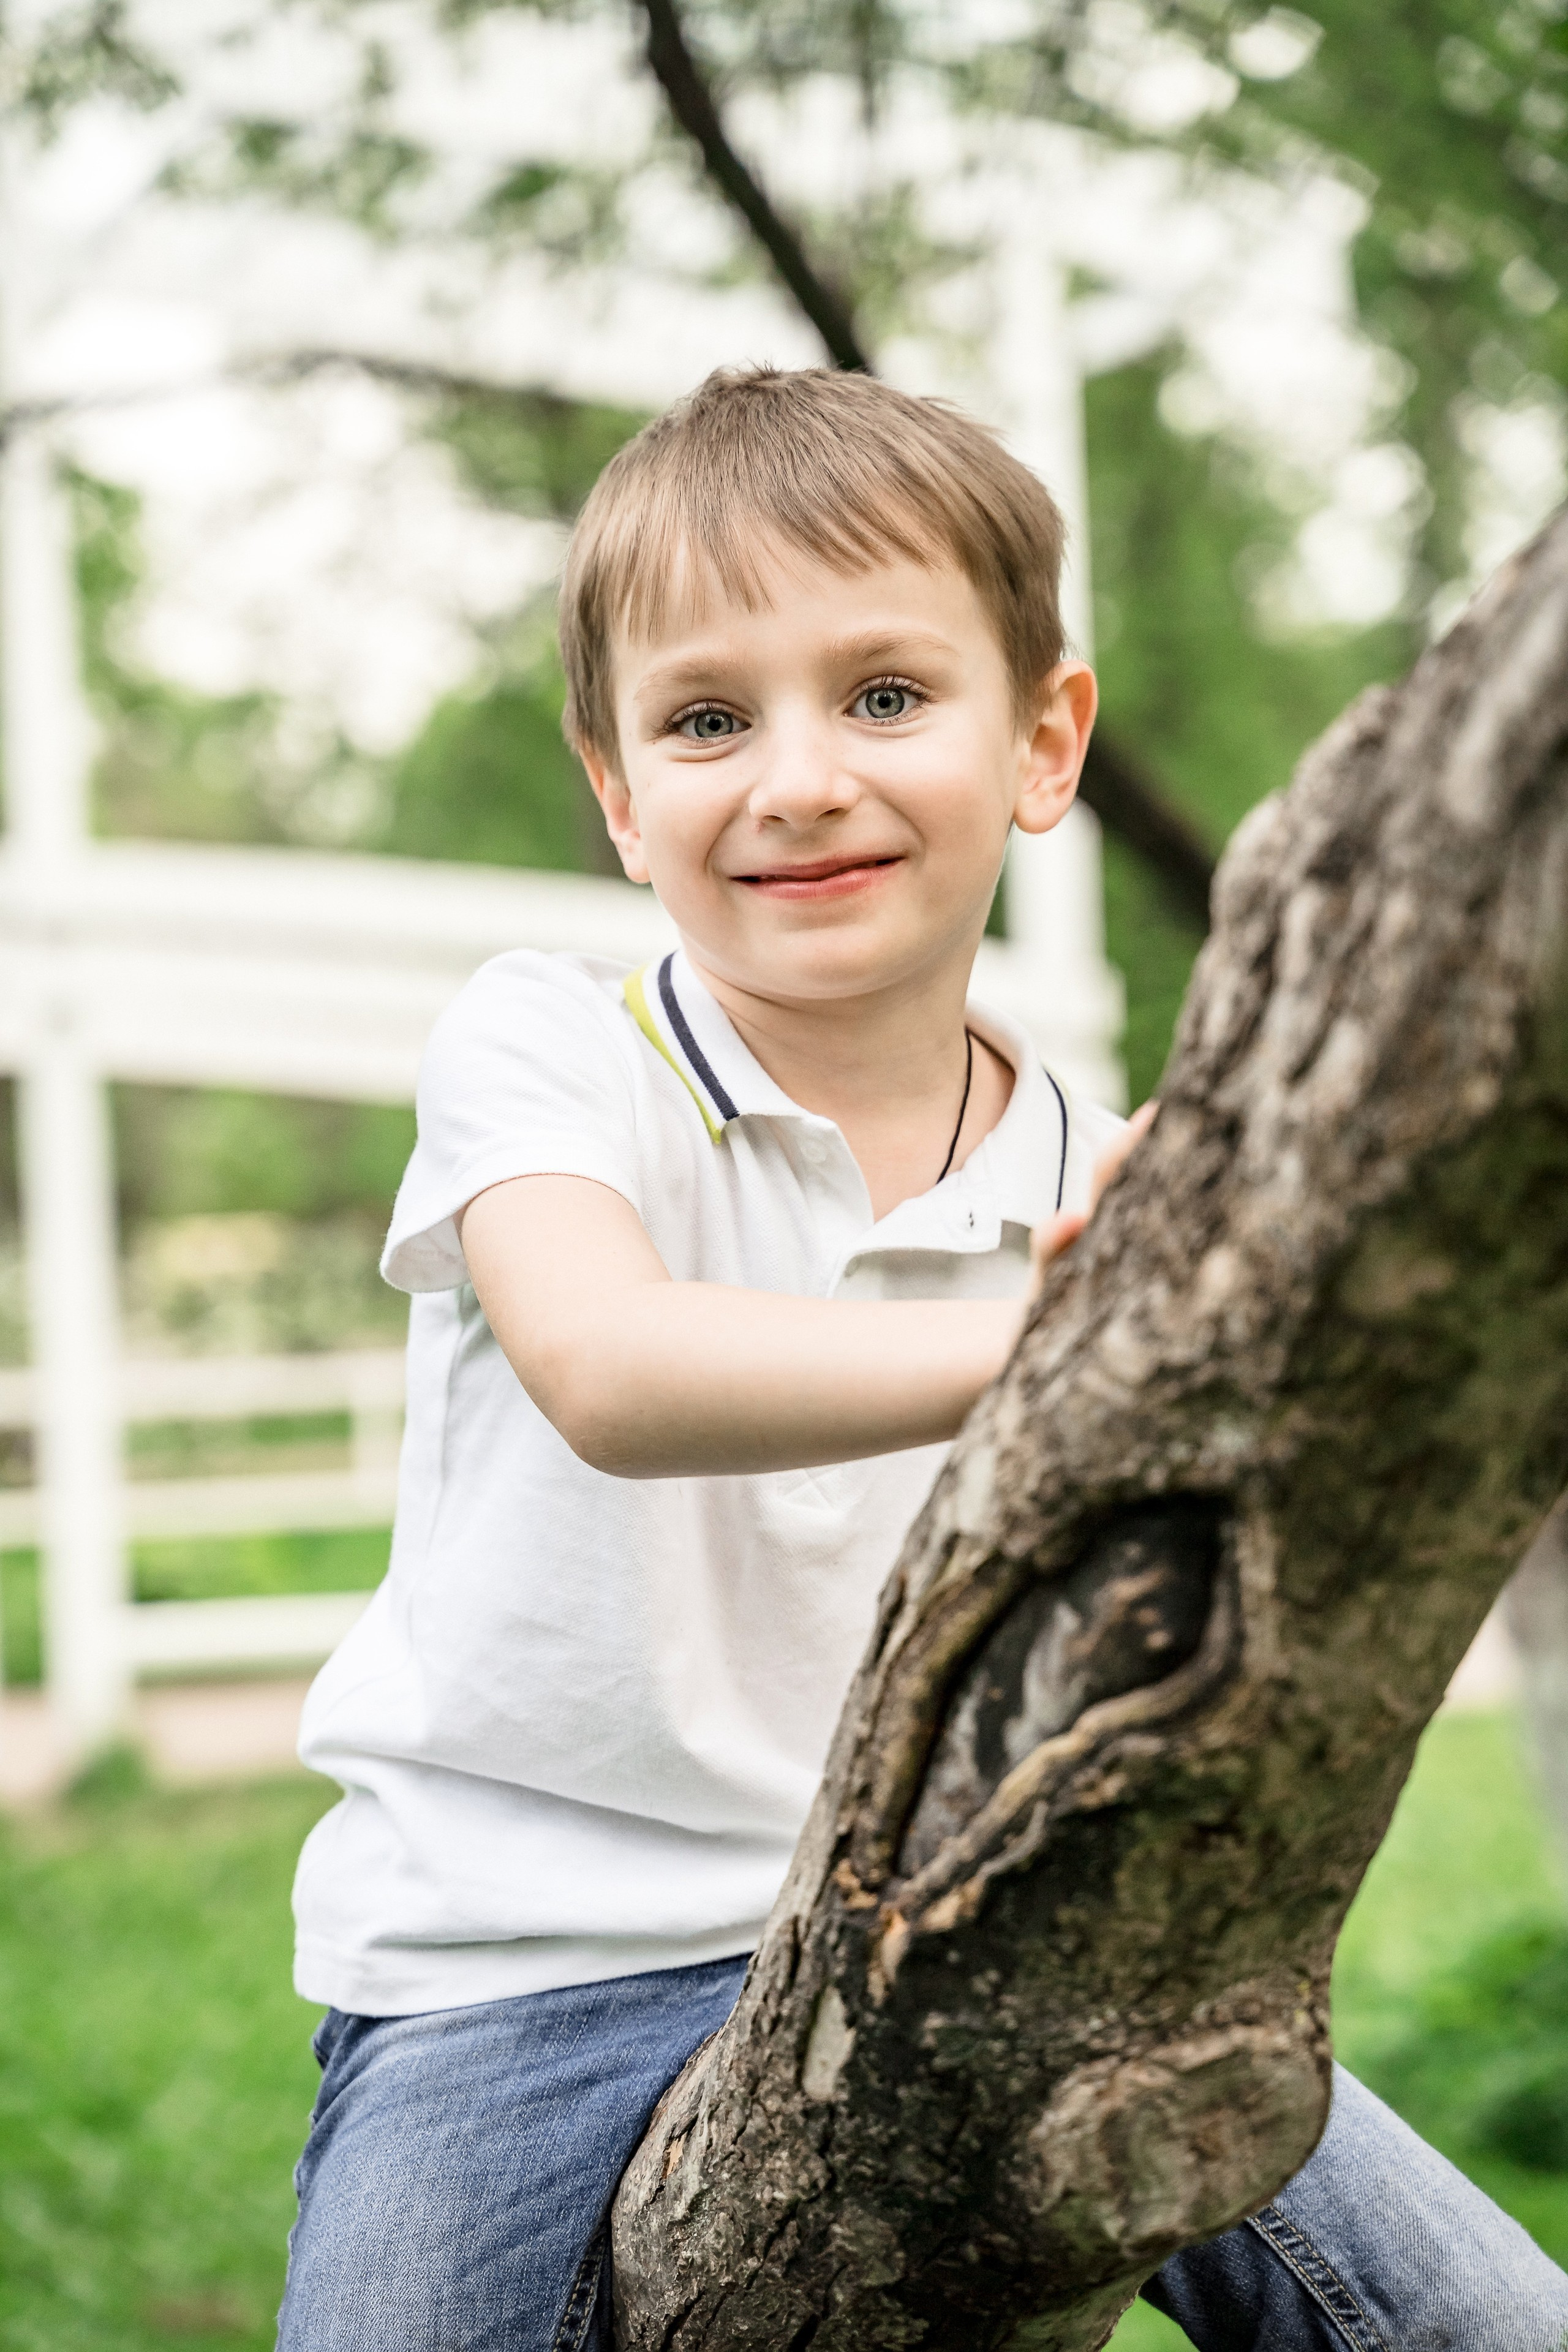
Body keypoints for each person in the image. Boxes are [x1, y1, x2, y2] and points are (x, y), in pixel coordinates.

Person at [278, 366, 1566, 2352]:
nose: (797, 777)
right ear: (621, 795)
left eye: (885, 695)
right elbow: (608, 1368)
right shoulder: (550, 1043)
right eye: (708, 720)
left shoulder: (1094, 1162)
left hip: (964, 1940)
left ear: (1046, 742)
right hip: (511, 1980)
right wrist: (1063, 1347)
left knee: (1489, 2321)